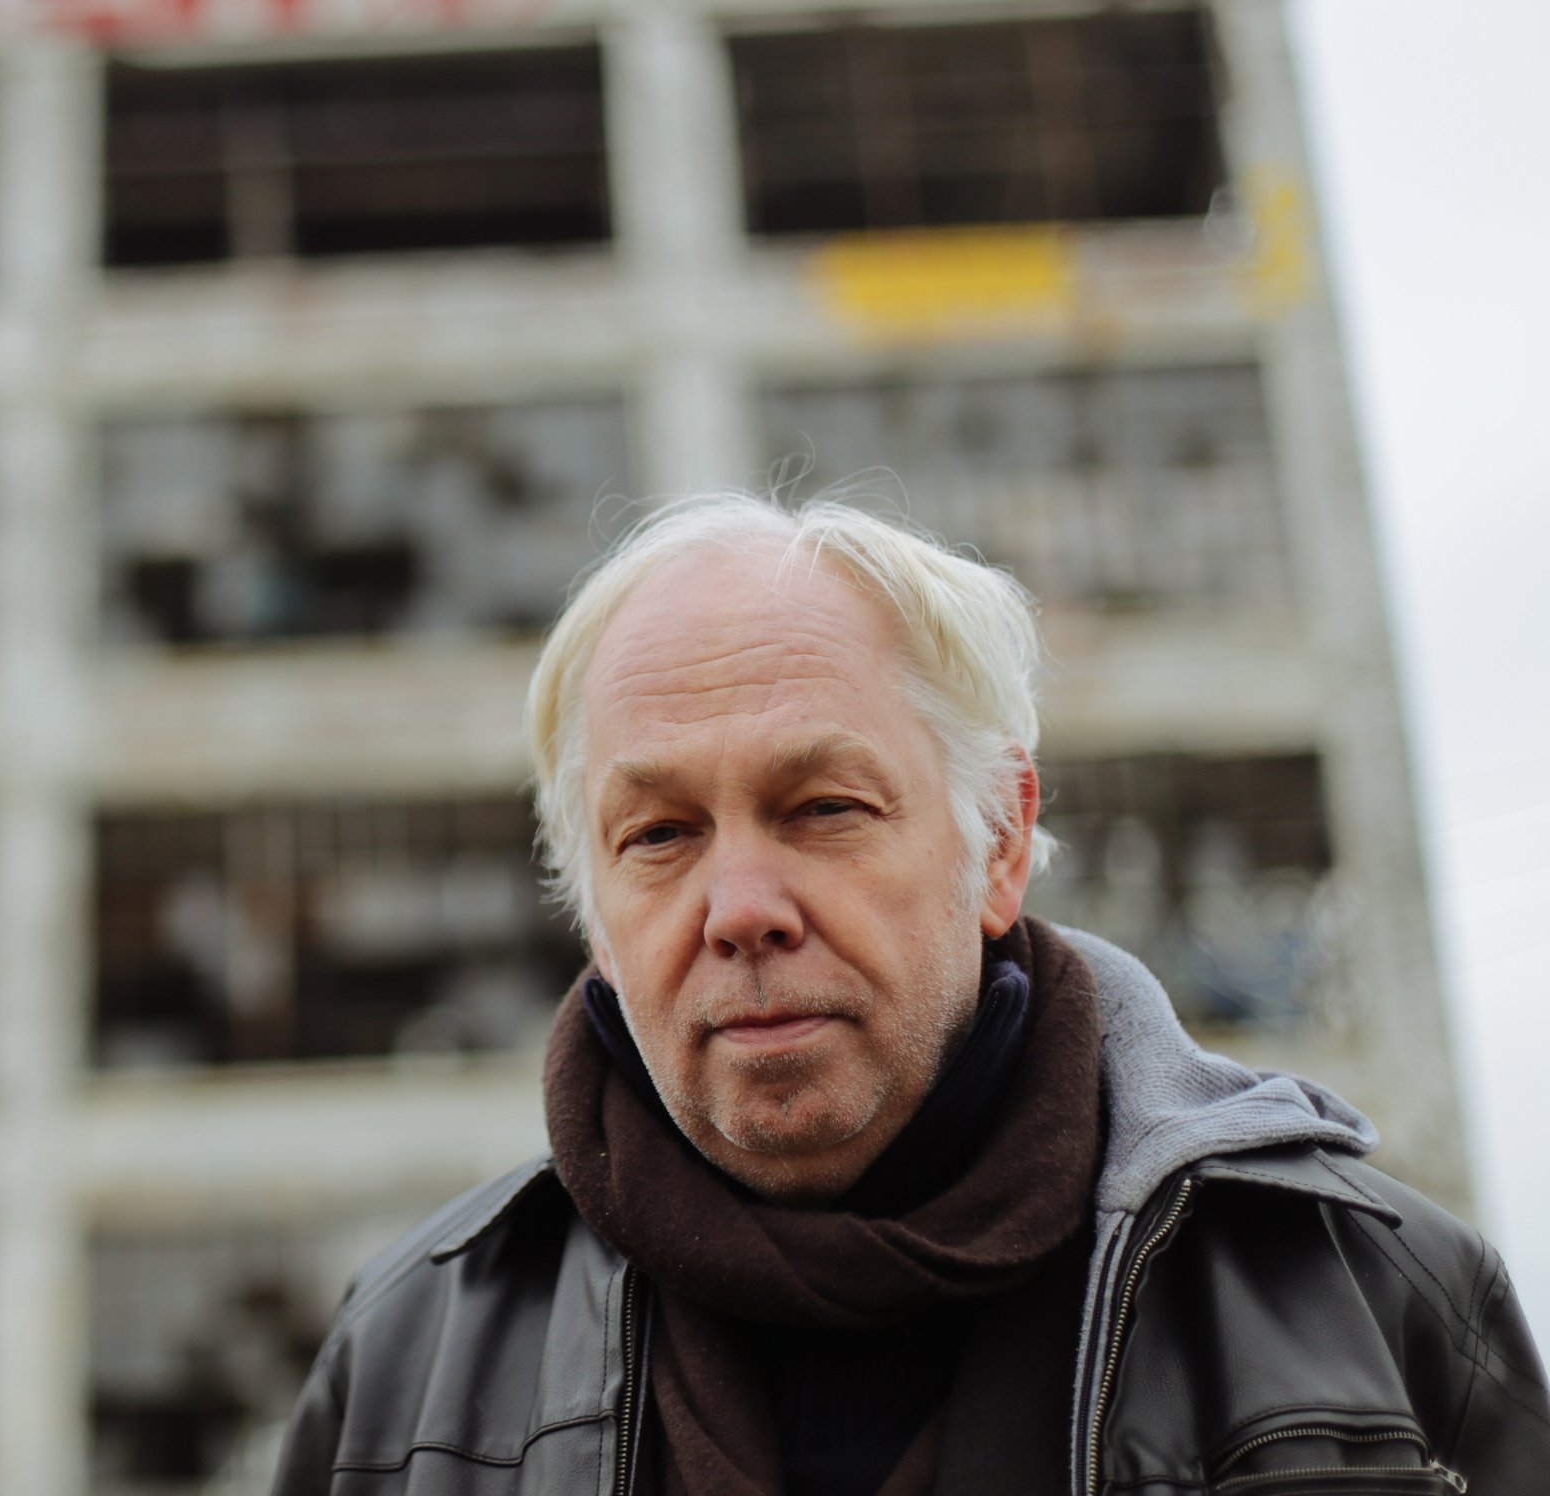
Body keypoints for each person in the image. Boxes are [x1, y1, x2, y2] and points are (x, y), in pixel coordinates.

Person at [270, 493, 1547, 1496]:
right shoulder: (406, 1363)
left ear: (997, 841)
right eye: (658, 835)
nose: (741, 906)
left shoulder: (1370, 1302)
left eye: (823, 807)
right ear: (593, 915)